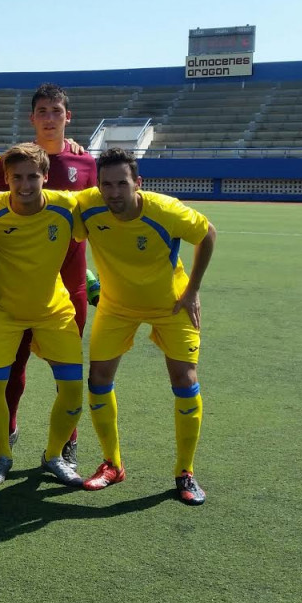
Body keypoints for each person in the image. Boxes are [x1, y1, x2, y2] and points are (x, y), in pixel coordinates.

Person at [77, 148, 217, 505]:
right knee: (98, 379)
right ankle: (113, 464)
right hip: (116, 306)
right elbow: (57, 226)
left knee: (184, 380)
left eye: (121, 184)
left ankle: (185, 472)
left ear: (137, 183)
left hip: (170, 305)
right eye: (105, 184)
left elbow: (207, 233)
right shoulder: (88, 205)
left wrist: (193, 290)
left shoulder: (164, 210)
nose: (112, 192)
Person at [0, 83, 97, 468]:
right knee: (13, 366)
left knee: (68, 375)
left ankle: (65, 447)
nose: (49, 118)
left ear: (67, 117)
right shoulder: (8, 165)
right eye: (42, 111)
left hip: (69, 285)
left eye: (56, 112)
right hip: (14, 286)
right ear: (32, 118)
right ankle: (5, 439)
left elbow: (95, 222)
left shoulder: (86, 163)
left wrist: (94, 276)